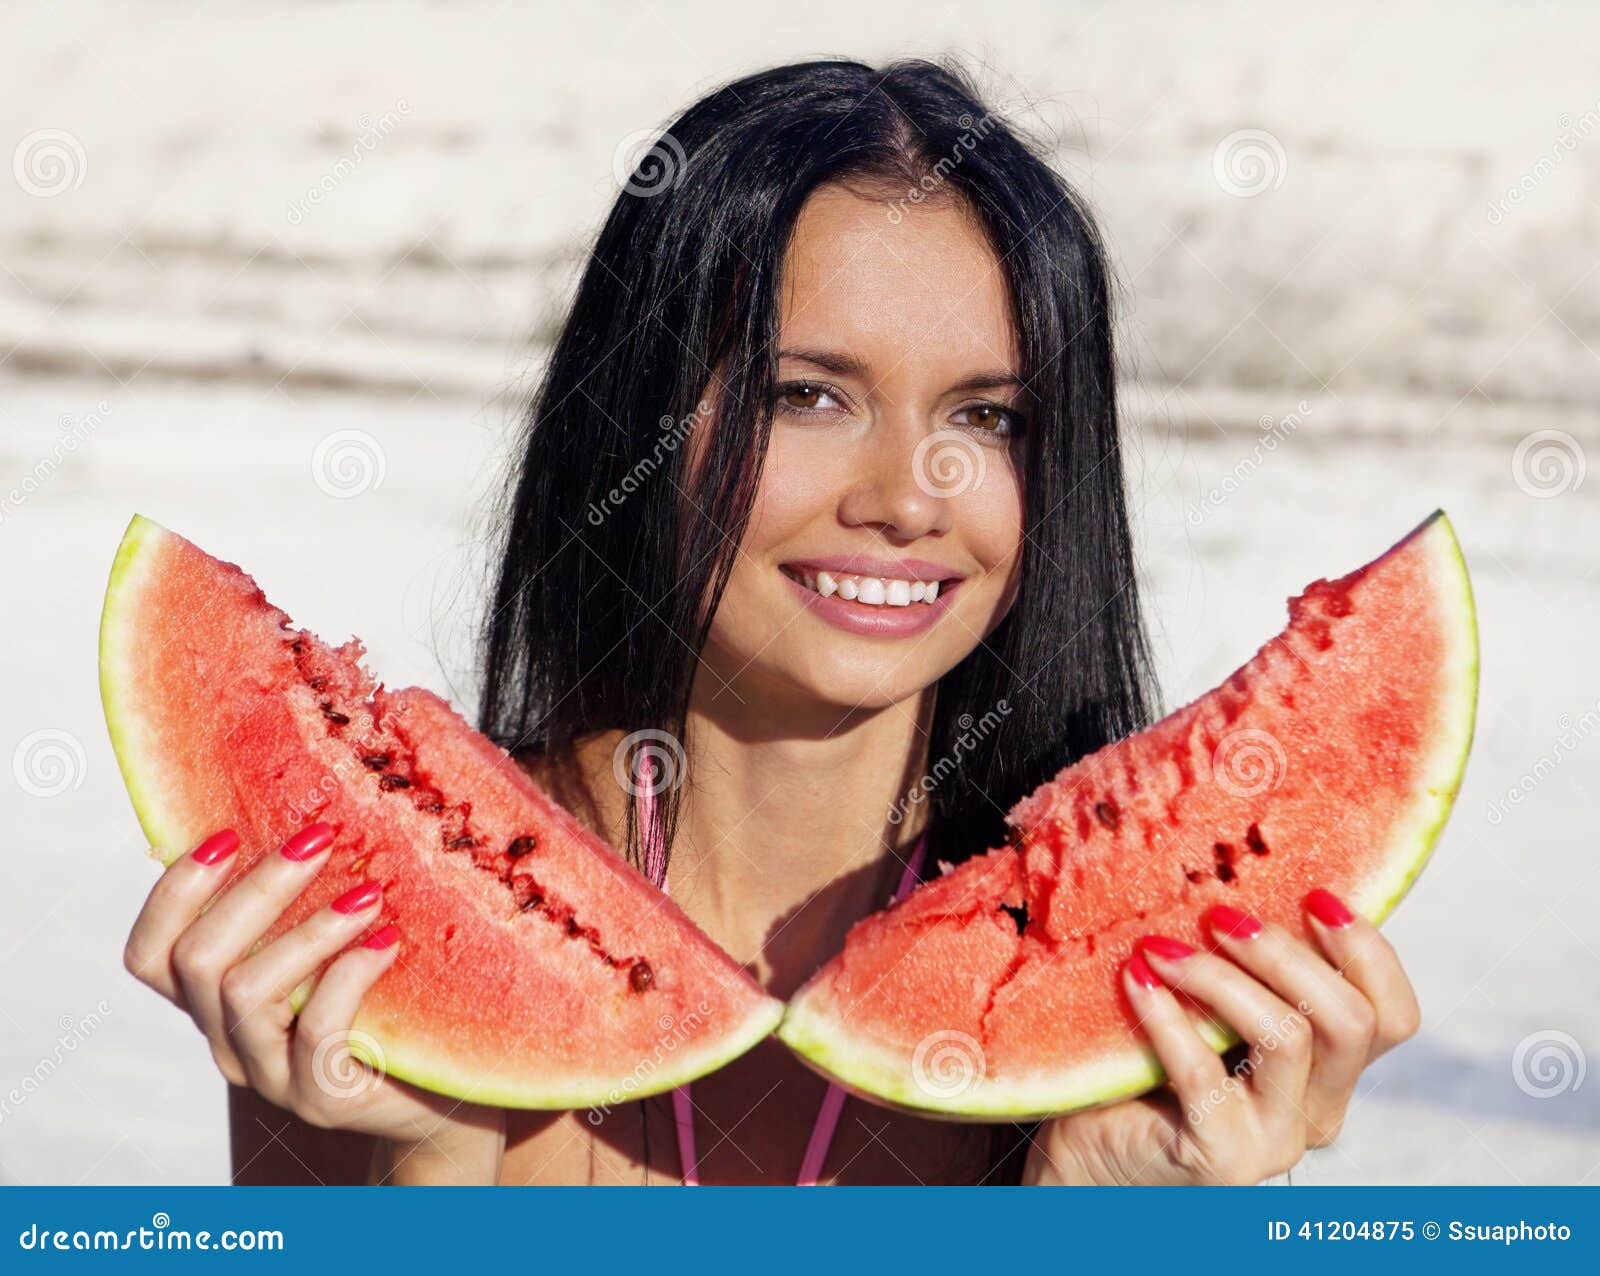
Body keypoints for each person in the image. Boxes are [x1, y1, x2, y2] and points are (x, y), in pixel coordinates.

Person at [122, 58, 1420, 1185]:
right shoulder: (368, 939)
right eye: (808, 396)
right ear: (637, 419)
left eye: (987, 418)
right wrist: (429, 1160)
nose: (911, 497)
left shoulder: (1146, 1007)